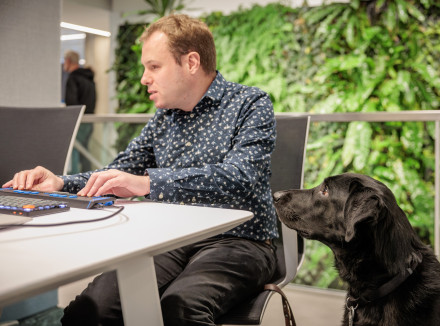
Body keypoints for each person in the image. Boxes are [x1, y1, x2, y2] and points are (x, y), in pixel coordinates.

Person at [4, 14, 278, 326]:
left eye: (154, 66)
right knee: (90, 310)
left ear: (191, 62)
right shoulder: (165, 117)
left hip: (241, 240)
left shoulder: (250, 104)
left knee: (179, 309)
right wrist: (59, 183)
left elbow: (241, 177)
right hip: (172, 238)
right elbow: (118, 172)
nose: (143, 79)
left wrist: (147, 183)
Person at [63, 50, 96, 173]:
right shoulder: (89, 78)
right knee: (85, 152)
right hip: (90, 122)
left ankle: (74, 182)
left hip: (78, 121)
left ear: (68, 61)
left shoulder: (73, 78)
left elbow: (71, 104)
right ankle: (89, 177)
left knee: (74, 151)